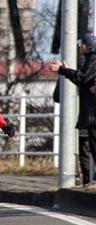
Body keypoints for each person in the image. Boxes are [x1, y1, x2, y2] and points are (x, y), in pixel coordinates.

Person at [50, 33, 96, 186]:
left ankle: (91, 179)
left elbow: (82, 78)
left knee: (90, 147)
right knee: (88, 148)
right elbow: (83, 81)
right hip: (87, 113)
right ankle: (89, 179)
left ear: (85, 45)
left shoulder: (92, 59)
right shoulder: (88, 60)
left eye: (81, 45)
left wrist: (63, 70)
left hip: (91, 113)